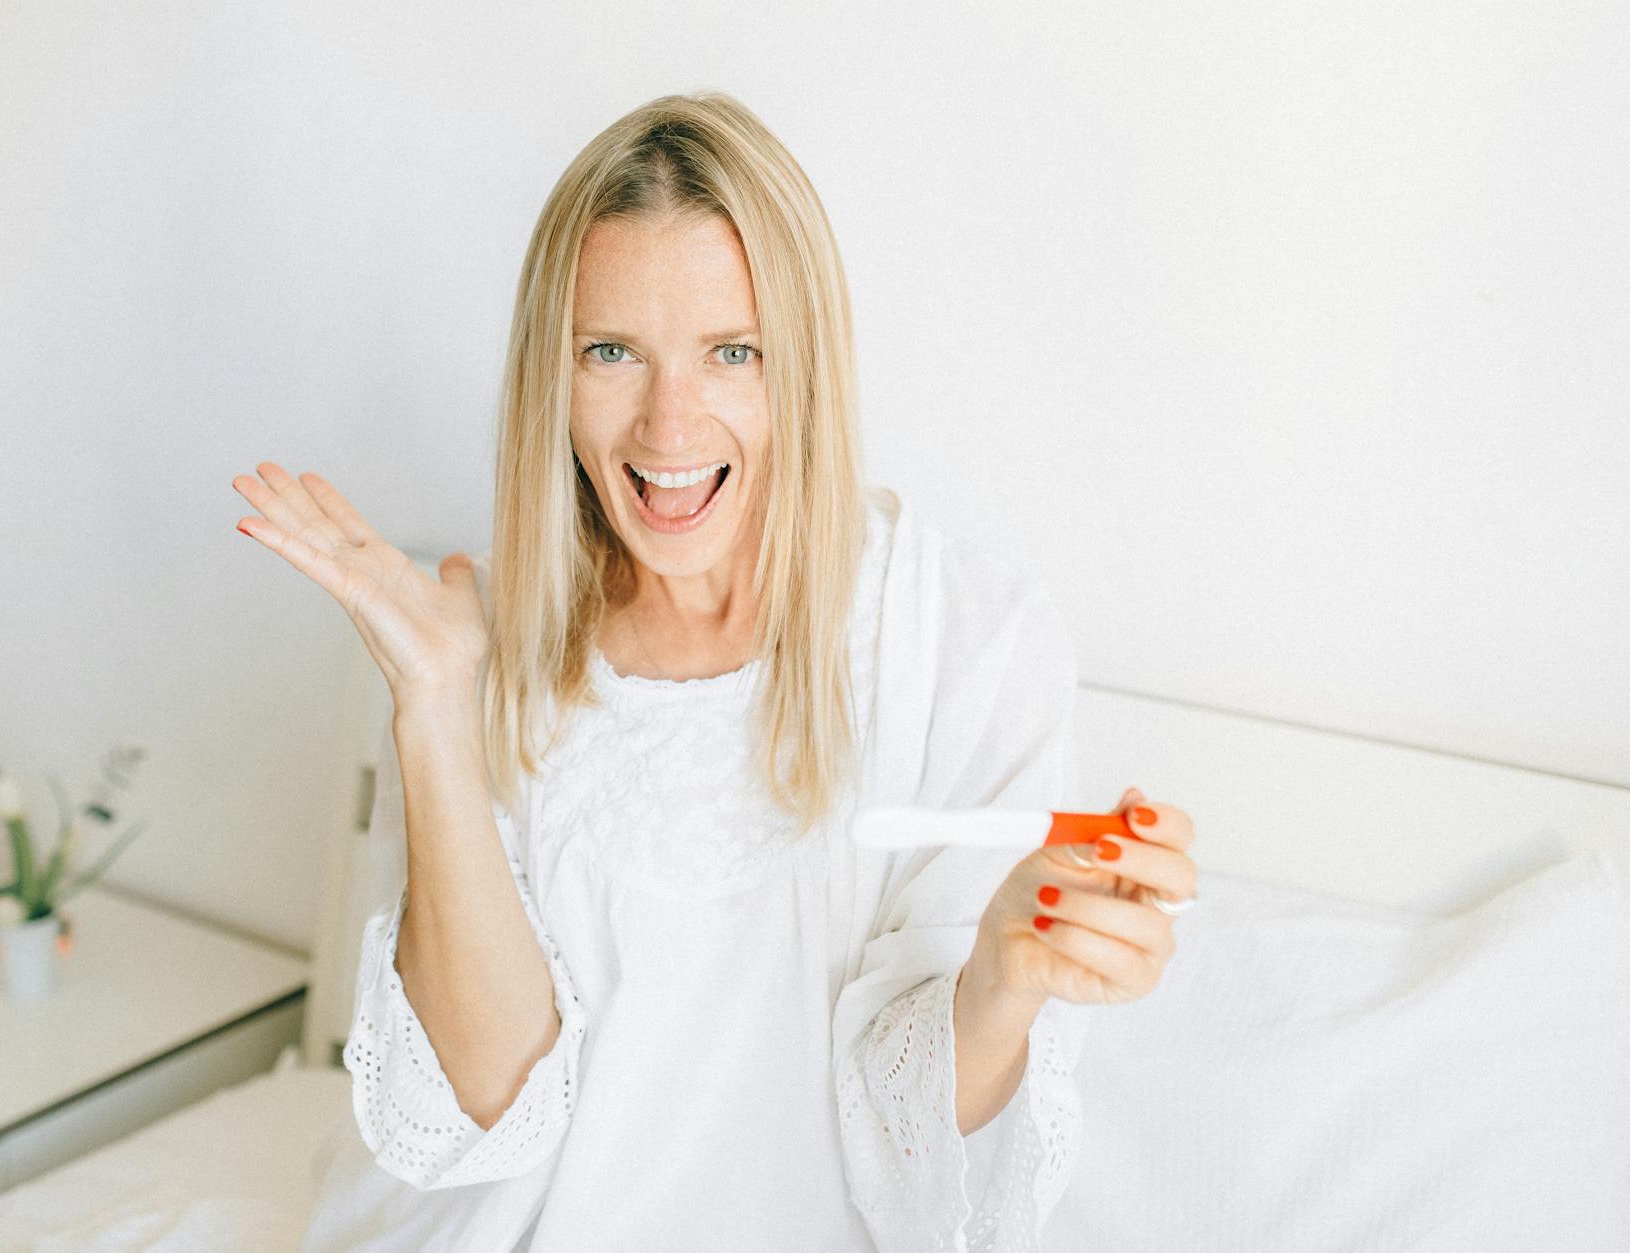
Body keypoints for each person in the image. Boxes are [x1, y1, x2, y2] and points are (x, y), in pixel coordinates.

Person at [234, 91, 1199, 1253]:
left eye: (729, 352)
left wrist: (1003, 971)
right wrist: (437, 708)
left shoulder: (964, 635)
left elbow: (918, 1152)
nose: (667, 426)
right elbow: (483, 1106)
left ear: (802, 366)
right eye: (611, 353)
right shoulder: (468, 635)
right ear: (556, 371)